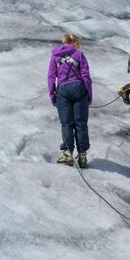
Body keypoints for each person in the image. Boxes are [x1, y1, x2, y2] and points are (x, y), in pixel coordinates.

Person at [47, 33, 93, 167]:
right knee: (81, 123)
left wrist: (52, 95)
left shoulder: (55, 56)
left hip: (62, 90)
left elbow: (51, 76)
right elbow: (86, 76)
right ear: (75, 43)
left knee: (66, 123)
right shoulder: (79, 55)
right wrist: (89, 95)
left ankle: (67, 153)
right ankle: (83, 156)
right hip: (79, 89)